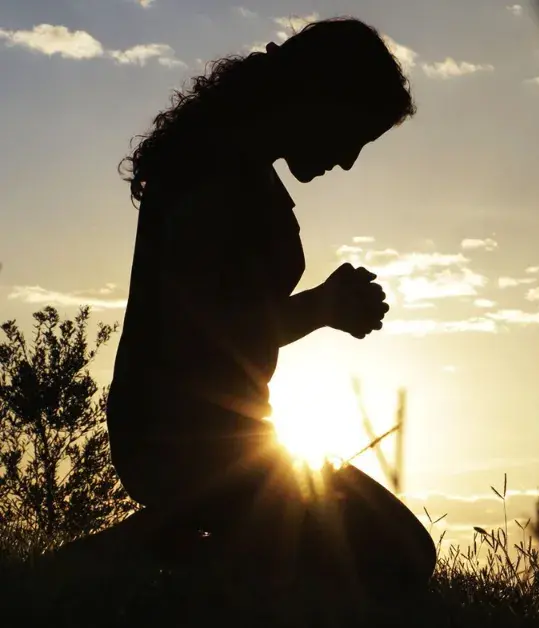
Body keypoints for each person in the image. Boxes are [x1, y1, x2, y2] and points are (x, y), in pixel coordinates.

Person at [105, 17, 434, 596]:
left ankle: (174, 547)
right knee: (387, 560)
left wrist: (327, 306)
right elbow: (196, 329)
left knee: (402, 550)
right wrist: (322, 306)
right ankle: (123, 562)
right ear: (320, 100)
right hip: (174, 438)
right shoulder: (205, 169)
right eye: (355, 134)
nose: (350, 160)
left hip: (242, 437)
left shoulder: (243, 171)